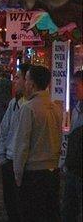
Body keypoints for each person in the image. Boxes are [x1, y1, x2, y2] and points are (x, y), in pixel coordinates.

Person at [13, 65, 62, 221]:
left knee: (32, 214)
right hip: (53, 171)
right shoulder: (56, 108)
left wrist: (17, 174)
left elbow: (22, 145)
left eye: (26, 79)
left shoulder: (28, 108)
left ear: (32, 84)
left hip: (33, 173)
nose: (25, 83)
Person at [0, 66, 26, 222]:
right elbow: (3, 129)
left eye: (18, 77)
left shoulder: (30, 107)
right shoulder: (13, 103)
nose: (14, 81)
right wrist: (1, 155)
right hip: (8, 159)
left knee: (21, 203)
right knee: (10, 202)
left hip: (23, 163)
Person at [62, 69, 83, 222]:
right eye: (72, 86)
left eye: (76, 85)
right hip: (72, 169)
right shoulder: (76, 109)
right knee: (68, 210)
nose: (73, 89)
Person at [0, 70, 13, 140]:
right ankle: (7, 132)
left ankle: (0, 132)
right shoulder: (10, 83)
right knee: (8, 117)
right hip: (8, 100)